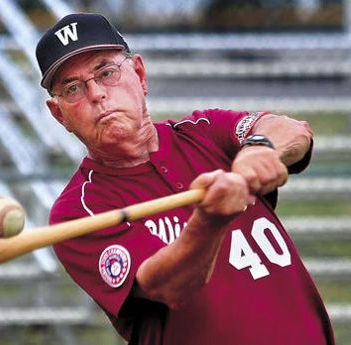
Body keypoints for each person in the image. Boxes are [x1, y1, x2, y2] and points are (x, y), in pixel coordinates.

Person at [35, 13, 334, 345]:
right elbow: (165, 286)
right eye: (73, 88)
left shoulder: (204, 133)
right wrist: (210, 220)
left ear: (140, 74)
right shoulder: (79, 212)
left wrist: (258, 151)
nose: (96, 94)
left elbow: (293, 132)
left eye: (106, 73)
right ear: (59, 114)